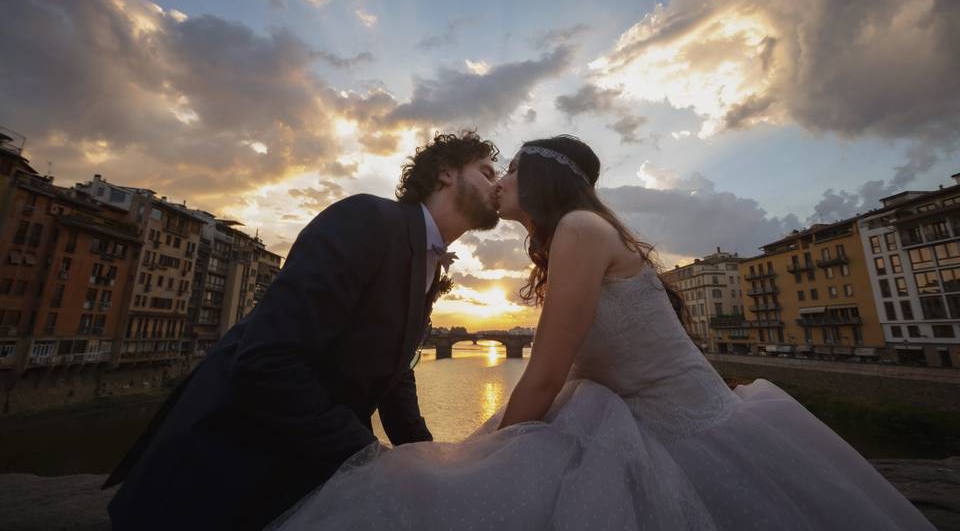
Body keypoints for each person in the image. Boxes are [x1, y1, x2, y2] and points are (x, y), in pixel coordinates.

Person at [271, 135, 934, 530]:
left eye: (506, 170)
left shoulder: (579, 231)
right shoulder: (569, 239)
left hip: (691, 438)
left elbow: (547, 373)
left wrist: (475, 460)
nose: (497, 182)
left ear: (538, 177)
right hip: (647, 428)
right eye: (489, 169)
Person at [103, 131, 501, 531]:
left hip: (294, 470)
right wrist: (367, 458)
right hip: (220, 470)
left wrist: (426, 460)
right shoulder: (369, 219)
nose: (497, 182)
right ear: (446, 174)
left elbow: (394, 371)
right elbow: (266, 360)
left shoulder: (427, 263)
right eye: (487, 171)